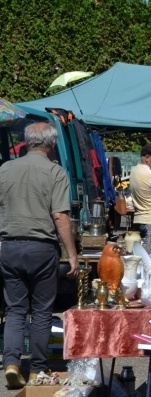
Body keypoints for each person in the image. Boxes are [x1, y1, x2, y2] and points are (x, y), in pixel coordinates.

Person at [0, 122, 79, 388]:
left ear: (27, 141)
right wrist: (72, 254)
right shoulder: (55, 171)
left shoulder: (5, 169)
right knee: (42, 311)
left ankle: (11, 363)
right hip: (41, 248)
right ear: (51, 143)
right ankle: (36, 369)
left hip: (10, 247)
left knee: (15, 310)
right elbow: (60, 216)